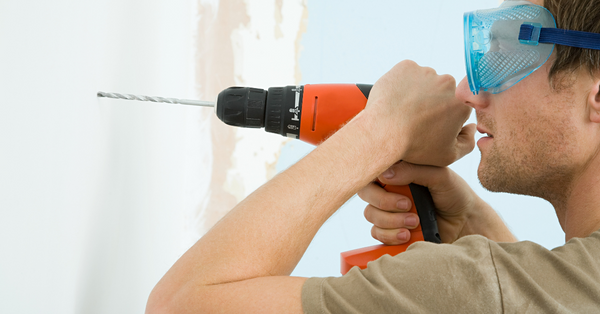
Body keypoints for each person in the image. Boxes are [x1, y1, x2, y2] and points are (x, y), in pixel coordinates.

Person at [146, 0, 600, 312]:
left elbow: (179, 304)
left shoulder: (476, 289)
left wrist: (382, 130)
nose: (469, 90)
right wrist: (473, 225)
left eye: (508, 57)